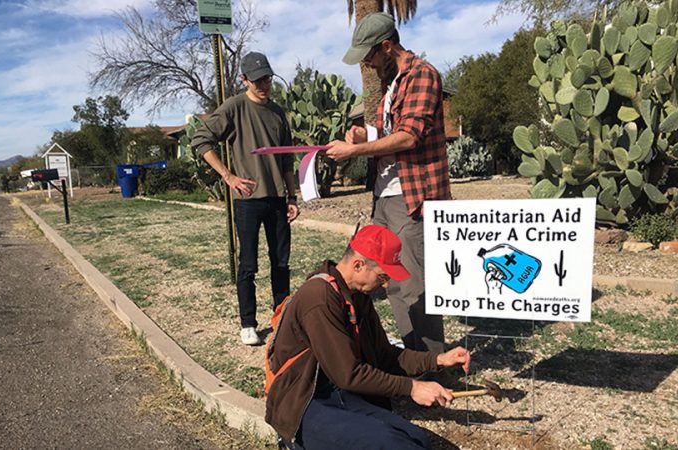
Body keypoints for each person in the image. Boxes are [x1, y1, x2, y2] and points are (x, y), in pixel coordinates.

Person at [265, 224, 470, 450]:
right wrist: (412, 388)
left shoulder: (357, 296)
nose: (386, 284)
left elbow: (385, 355)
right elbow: (348, 374)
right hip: (304, 402)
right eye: (382, 276)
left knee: (417, 440)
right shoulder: (319, 298)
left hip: (341, 393)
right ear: (359, 265)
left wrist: (438, 360)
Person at [326, 13, 450, 353]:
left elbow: (409, 137)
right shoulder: (392, 84)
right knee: (389, 280)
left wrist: (355, 148)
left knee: (412, 285)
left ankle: (431, 367)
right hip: (384, 197)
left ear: (386, 46)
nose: (366, 63)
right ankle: (411, 357)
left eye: (369, 56)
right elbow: (389, 130)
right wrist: (363, 134)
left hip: (411, 198)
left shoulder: (422, 74)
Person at [191, 52, 299, 346]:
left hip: (278, 199)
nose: (263, 84)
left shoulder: (278, 113)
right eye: (257, 79)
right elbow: (201, 139)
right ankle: (248, 324)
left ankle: (282, 318)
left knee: (281, 264)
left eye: (267, 78)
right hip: (248, 201)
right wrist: (228, 176)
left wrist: (292, 196)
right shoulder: (234, 107)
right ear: (244, 80)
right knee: (248, 265)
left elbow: (287, 160)